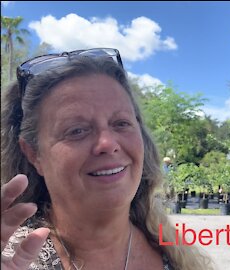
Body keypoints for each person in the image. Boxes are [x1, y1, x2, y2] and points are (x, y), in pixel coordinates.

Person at [1, 48, 213, 270]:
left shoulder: (171, 250)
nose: (108, 143)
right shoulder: (16, 260)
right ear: (34, 154)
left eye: (121, 123)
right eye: (77, 130)